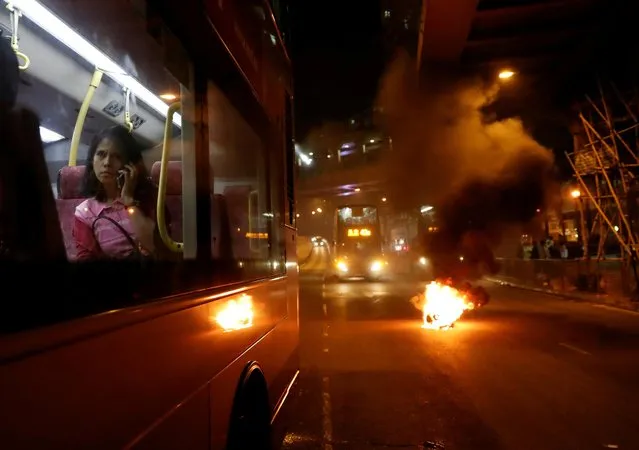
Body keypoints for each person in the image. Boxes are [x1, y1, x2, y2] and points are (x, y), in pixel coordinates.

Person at [73, 125, 162, 260]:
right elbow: (85, 260)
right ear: (92, 160)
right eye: (101, 154)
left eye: (117, 156)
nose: (107, 163)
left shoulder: (150, 198)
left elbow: (154, 247)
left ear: (129, 165)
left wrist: (129, 201)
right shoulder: (85, 212)